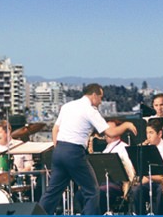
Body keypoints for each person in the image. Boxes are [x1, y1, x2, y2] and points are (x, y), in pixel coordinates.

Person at [38, 84, 137, 215]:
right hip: (74, 152)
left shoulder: (68, 106)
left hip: (59, 150)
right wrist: (126, 125)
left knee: (53, 191)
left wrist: (60, 148)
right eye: (100, 97)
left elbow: (55, 129)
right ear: (94, 95)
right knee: (92, 191)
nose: (101, 102)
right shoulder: (90, 110)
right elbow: (111, 132)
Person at [130, 119, 163, 215]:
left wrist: (147, 175)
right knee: (136, 190)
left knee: (161, 191)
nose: (148, 136)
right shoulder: (145, 148)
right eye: (147, 133)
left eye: (151, 133)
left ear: (159, 134)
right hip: (149, 181)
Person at [97, 119, 136, 213]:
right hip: (104, 182)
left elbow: (130, 171)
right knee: (81, 194)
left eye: (110, 129)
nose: (107, 132)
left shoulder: (124, 147)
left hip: (118, 184)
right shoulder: (106, 149)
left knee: (100, 192)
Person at [0, 120, 34, 184]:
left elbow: (29, 166)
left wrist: (17, 174)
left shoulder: (21, 145)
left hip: (17, 182)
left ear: (8, 132)